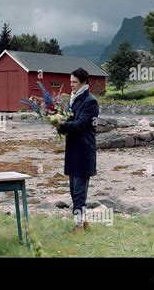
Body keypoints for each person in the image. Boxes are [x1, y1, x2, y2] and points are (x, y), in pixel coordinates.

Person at [52, 68, 99, 234]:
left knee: (79, 191)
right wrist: (57, 121)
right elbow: (70, 122)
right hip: (73, 150)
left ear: (83, 82)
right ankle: (84, 221)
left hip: (83, 151)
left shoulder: (90, 101)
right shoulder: (74, 99)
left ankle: (78, 226)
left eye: (74, 82)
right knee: (73, 189)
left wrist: (61, 125)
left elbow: (80, 124)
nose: (71, 85)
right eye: (70, 81)